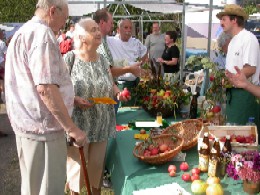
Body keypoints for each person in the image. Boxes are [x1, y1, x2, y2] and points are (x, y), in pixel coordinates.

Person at [4, 0, 87, 194]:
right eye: (64, 19)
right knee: (48, 188)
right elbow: (46, 88)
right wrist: (72, 129)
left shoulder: (24, 31)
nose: (64, 25)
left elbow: (32, 83)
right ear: (52, 11)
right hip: (44, 131)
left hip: (29, 126)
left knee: (32, 187)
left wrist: (69, 98)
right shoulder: (42, 35)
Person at [64, 18, 128, 195]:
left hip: (102, 123)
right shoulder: (70, 59)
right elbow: (60, 90)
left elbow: (111, 82)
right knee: (77, 168)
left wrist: (117, 93)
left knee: (97, 166)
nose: (99, 32)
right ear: (82, 37)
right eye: (93, 30)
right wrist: (76, 99)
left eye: (98, 28)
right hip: (78, 124)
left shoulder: (102, 60)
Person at [216, 4, 260, 130]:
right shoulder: (233, 41)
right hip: (233, 95)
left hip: (245, 95)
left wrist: (232, 78)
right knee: (233, 133)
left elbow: (251, 69)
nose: (221, 23)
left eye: (224, 19)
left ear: (234, 20)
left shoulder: (248, 38)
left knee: (244, 136)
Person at [93, 8, 143, 112]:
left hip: (111, 90)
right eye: (111, 23)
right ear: (102, 23)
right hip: (103, 95)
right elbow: (107, 71)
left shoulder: (105, 40)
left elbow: (107, 69)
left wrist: (116, 91)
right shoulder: (100, 42)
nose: (112, 25)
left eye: (130, 27)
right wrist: (129, 69)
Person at [107, 19, 148, 106]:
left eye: (130, 28)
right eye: (126, 27)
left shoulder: (135, 42)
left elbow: (145, 52)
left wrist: (140, 64)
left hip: (135, 82)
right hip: (120, 83)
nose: (129, 30)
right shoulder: (111, 41)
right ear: (118, 29)